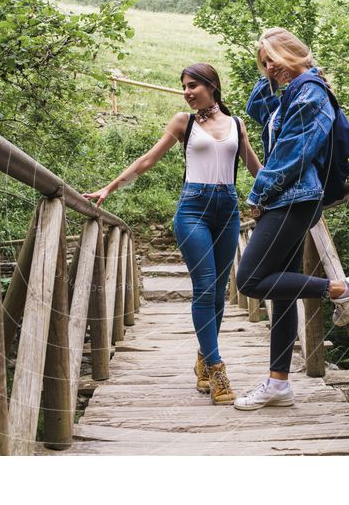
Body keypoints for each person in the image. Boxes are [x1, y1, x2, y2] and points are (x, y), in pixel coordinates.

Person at [83, 63, 261, 405]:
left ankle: (204, 358)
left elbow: (254, 167)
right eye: (183, 86)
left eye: (193, 85)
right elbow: (147, 160)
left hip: (227, 209)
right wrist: (111, 186)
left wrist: (280, 192)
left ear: (211, 85)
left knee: (220, 292)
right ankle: (217, 367)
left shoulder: (236, 124)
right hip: (192, 209)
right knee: (206, 285)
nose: (187, 92)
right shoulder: (185, 122)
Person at [233, 28, 349, 411]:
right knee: (283, 291)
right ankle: (278, 385)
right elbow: (260, 110)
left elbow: (294, 153)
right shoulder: (293, 92)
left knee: (251, 278)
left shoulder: (311, 92)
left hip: (294, 198)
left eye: (274, 56)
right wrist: (268, 75)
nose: (270, 66)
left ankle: (342, 288)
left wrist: (258, 195)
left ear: (295, 52)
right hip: (287, 197)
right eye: (264, 60)